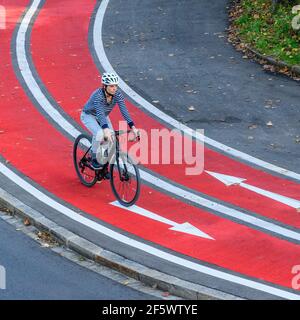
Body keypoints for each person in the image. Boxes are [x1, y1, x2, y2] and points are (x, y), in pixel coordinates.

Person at [80, 72, 139, 170]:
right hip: (89, 115)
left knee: (111, 140)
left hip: (103, 116)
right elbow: (99, 112)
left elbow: (124, 111)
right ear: (104, 86)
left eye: (116, 86)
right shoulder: (97, 95)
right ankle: (94, 157)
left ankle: (103, 167)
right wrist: (105, 129)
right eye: (111, 86)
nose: (114, 88)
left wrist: (133, 127)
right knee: (100, 133)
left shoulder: (117, 95)